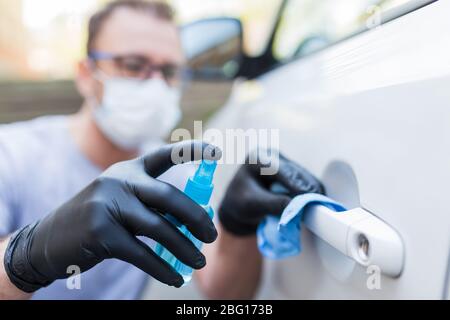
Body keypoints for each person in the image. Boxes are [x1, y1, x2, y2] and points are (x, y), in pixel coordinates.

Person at [0, 1, 323, 300]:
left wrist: (238, 226)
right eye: (133, 65)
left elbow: (225, 292)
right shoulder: (12, 154)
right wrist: (30, 254)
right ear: (86, 74)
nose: (153, 84)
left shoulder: (173, 176)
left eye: (168, 72)